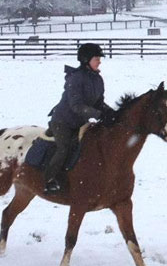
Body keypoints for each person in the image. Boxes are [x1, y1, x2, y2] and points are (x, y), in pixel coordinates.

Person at [44, 43, 116, 194]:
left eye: (99, 58)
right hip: (63, 121)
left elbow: (99, 103)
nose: (99, 61)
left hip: (80, 122)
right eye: (96, 58)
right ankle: (49, 180)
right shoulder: (75, 78)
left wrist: (112, 113)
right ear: (86, 60)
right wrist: (98, 115)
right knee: (63, 148)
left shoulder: (98, 79)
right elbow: (76, 106)